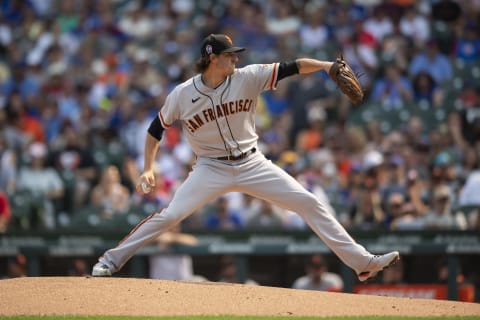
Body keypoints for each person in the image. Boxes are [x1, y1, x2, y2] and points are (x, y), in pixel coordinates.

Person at [92, 34, 399, 281]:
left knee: (308, 202)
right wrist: (148, 168)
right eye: (230, 55)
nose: (236, 59)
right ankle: (110, 260)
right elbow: (155, 129)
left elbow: (292, 66)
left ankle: (361, 263)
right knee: (171, 215)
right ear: (212, 57)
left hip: (252, 163)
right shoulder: (183, 94)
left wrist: (324, 65)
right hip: (210, 168)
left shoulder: (247, 76)